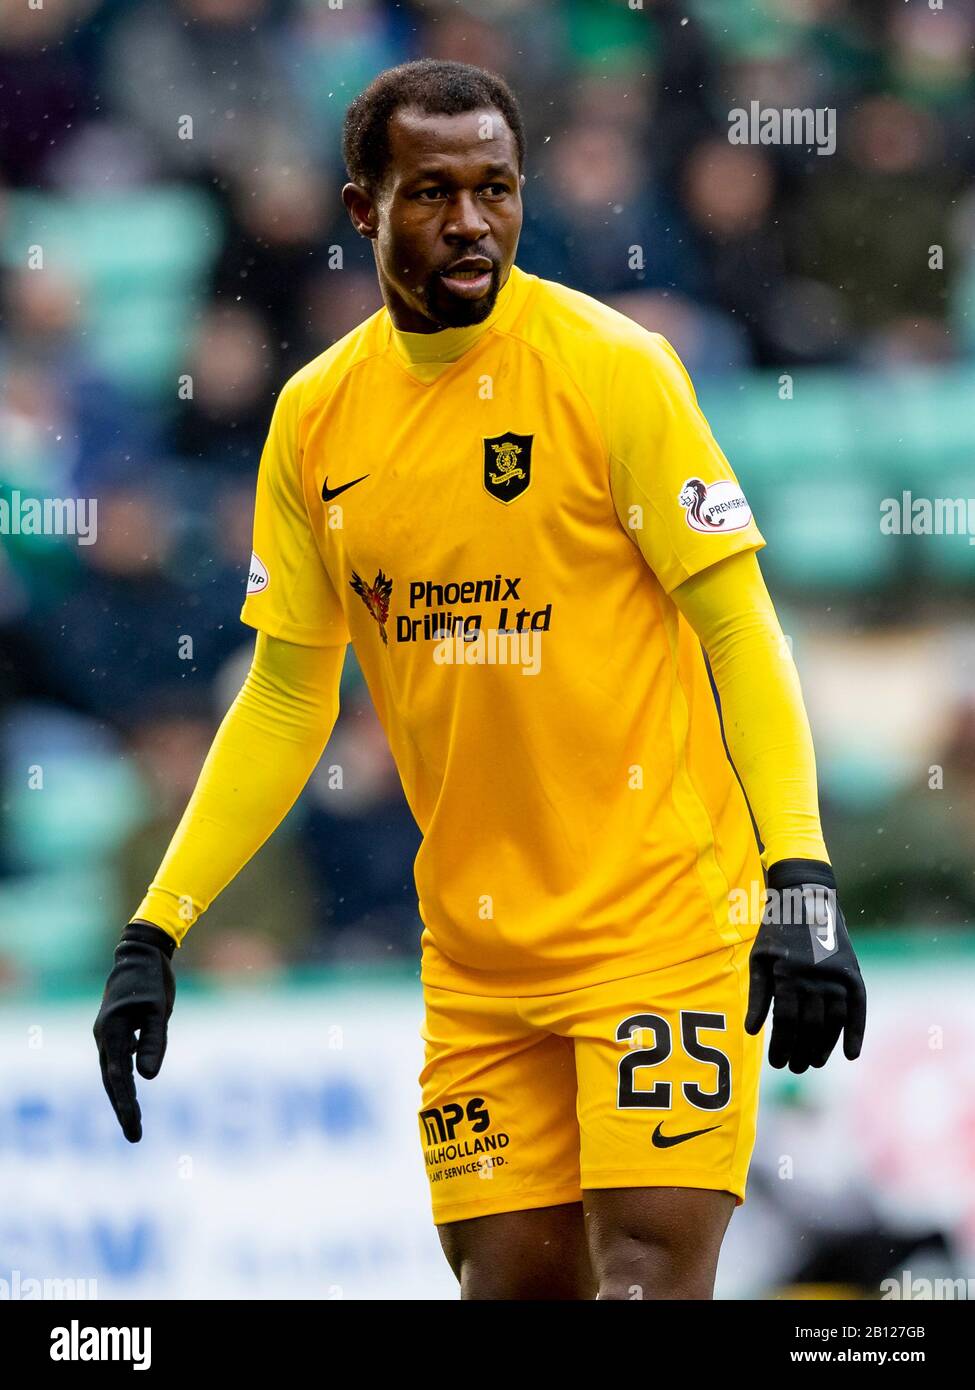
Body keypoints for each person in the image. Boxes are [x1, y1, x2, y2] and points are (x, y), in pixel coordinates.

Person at [94, 59, 866, 1301]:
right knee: (512, 1289)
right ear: (363, 209)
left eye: (496, 189)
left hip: (659, 926)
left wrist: (803, 877)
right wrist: (156, 927)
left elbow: (741, 630)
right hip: (479, 958)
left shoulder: (615, 370)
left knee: (646, 1278)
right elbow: (290, 695)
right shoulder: (314, 420)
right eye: (432, 192)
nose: (471, 223)